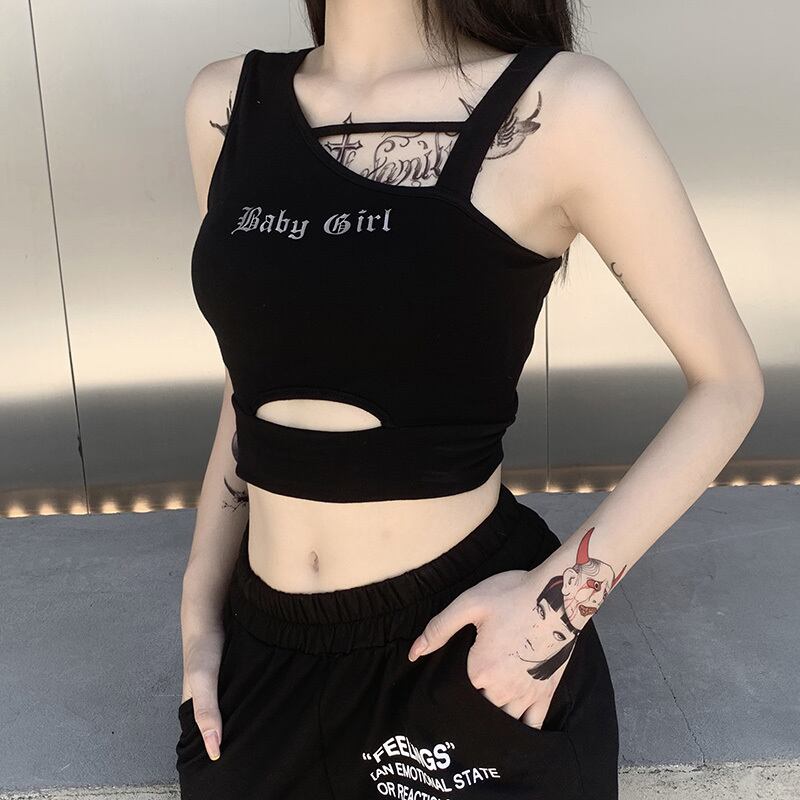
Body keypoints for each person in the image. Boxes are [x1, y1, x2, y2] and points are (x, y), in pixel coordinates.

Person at [175, 1, 764, 798]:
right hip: (260, 659)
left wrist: (549, 617)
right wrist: (199, 612)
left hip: (463, 651)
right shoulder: (225, 104)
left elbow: (729, 383)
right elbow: (251, 381)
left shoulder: (561, 104)